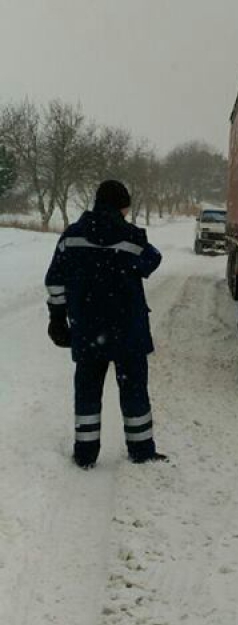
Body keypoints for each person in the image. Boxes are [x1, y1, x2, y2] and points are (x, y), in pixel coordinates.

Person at [44, 179, 167, 469]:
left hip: (87, 329)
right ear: (122, 206)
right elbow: (153, 261)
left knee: (87, 390)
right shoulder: (131, 238)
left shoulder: (71, 237)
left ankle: (85, 455)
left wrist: (57, 318)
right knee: (134, 390)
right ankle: (141, 451)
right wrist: (134, 238)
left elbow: (55, 281)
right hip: (128, 330)